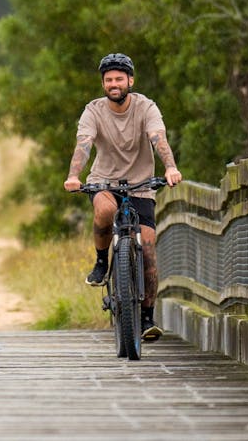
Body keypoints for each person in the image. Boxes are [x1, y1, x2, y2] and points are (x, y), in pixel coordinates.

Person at [63, 53, 182, 342]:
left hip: (141, 185)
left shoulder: (146, 107)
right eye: (108, 80)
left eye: (119, 78)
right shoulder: (93, 111)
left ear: (130, 80)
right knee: (104, 211)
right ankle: (102, 260)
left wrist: (170, 167)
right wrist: (73, 175)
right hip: (103, 181)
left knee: (149, 249)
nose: (113, 84)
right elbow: (84, 144)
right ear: (103, 84)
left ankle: (145, 319)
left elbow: (158, 137)